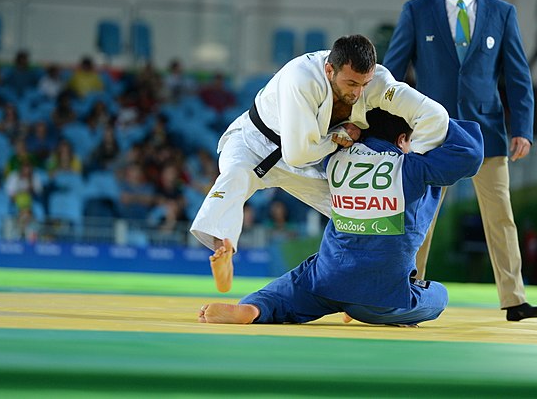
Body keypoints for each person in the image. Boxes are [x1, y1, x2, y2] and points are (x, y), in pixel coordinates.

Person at [189, 34, 450, 293]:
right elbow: (297, 154)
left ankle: (360, 284)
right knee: (234, 175)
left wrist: (415, 158)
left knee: (360, 212)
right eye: (351, 83)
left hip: (309, 159)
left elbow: (434, 114)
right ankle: (223, 246)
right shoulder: (300, 77)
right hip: (254, 142)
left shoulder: (379, 83)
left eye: (364, 83)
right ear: (329, 69)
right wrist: (337, 141)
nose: (358, 92)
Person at [382, 0, 537, 321]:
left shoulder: (501, 13)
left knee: (500, 215)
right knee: (419, 216)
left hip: (486, 131)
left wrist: (522, 126)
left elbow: (518, 76)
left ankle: (514, 298)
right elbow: (391, 74)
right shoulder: (416, 11)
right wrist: (392, 128)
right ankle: (407, 290)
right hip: (430, 132)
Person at [198, 108, 483, 325]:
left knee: (294, 285)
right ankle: (356, 306)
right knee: (438, 296)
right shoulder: (413, 168)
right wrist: (423, 109)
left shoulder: (334, 156)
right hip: (382, 298)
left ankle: (255, 308)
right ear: (401, 140)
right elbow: (470, 153)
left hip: (328, 282)